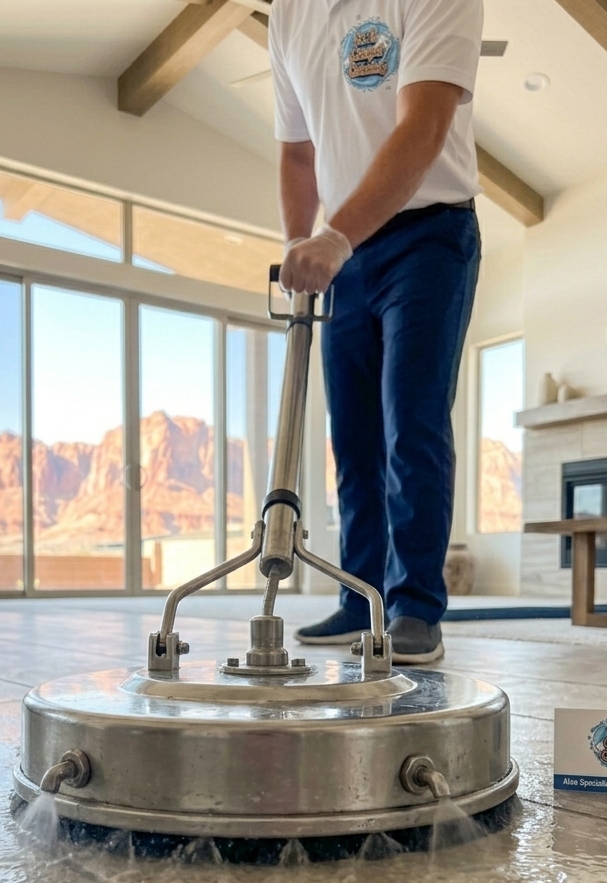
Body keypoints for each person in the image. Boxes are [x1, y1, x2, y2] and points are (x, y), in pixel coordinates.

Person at [269, 0, 483, 664]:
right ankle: (361, 597)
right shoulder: (288, 13)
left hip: (430, 234)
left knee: (411, 420)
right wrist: (301, 246)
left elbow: (424, 126)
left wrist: (333, 236)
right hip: (345, 256)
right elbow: (298, 154)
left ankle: (416, 606)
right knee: (354, 438)